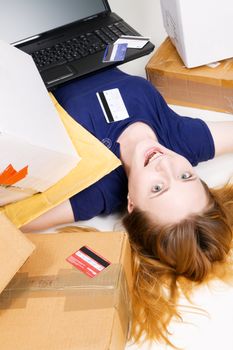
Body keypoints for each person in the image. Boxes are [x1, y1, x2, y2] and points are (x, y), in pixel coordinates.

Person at [22, 68, 233, 345]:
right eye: (186, 176)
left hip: (29, 62)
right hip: (90, 37)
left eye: (157, 188)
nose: (165, 164)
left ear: (132, 204)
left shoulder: (97, 192)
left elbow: (18, 219)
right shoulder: (185, 143)